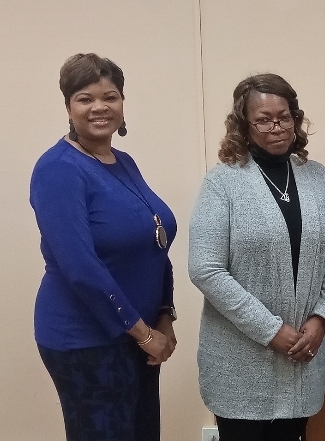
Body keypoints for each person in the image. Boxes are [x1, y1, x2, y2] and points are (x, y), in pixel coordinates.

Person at [188, 73, 325, 441]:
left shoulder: (318, 179)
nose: (276, 127)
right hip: (240, 367)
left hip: (303, 362)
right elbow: (205, 269)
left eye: (285, 116)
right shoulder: (223, 183)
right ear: (243, 125)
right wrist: (271, 330)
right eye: (263, 119)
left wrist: (322, 319)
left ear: (295, 119)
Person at [30, 53, 178, 441]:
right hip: (87, 340)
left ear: (122, 103)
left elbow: (155, 240)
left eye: (110, 96)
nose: (100, 107)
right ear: (68, 107)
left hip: (138, 335)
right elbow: (80, 266)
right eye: (85, 98)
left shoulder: (123, 162)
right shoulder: (58, 169)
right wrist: (145, 334)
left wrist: (164, 315)